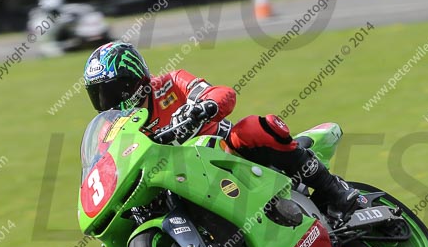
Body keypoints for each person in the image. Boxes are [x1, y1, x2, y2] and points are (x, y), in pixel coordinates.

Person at [83, 42, 360, 219]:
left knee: (252, 127)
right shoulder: (113, 126)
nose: (111, 102)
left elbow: (220, 93)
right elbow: (107, 162)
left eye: (115, 90)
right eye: (101, 96)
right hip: (177, 178)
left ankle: (334, 191)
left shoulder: (169, 83)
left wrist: (202, 108)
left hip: (225, 151)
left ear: (136, 79)